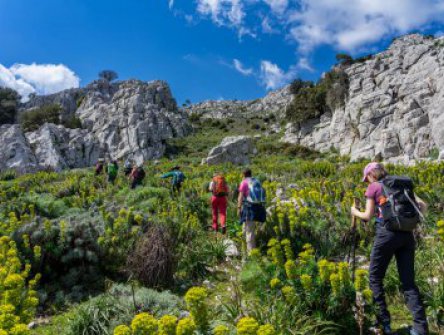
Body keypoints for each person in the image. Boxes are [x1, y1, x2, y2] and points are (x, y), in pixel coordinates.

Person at [351, 162, 428, 335]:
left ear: (371, 174)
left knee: (375, 277)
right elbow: (423, 206)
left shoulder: (374, 187)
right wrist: (409, 222)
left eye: (367, 178)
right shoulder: (400, 185)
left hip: (386, 235)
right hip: (407, 236)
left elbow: (367, 216)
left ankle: (383, 324)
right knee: (408, 283)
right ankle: (420, 329)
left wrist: (354, 212)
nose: (367, 181)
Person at [237, 168, 266, 253]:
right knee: (247, 229)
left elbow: (240, 196)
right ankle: (244, 249)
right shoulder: (256, 181)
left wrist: (238, 208)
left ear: (243, 175)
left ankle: (251, 254)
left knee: (249, 232)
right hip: (259, 207)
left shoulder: (244, 182)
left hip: (249, 208)